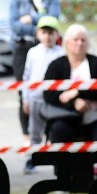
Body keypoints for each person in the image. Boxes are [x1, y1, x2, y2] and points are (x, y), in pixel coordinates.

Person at [42, 24, 97, 147]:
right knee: (58, 133)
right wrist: (74, 102)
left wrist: (78, 92)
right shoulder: (56, 65)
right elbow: (48, 94)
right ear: (67, 42)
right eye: (75, 39)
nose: (79, 43)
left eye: (83, 40)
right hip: (67, 118)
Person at [9, 0, 62, 147]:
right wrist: (40, 27)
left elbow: (54, 19)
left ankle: (48, 131)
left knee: (50, 90)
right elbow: (14, 26)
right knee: (24, 92)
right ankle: (27, 136)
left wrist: (31, 18)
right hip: (23, 49)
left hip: (48, 48)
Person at [21, 15, 64, 172]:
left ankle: (54, 159)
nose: (47, 36)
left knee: (53, 129)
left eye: (51, 33)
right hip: (35, 98)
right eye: (44, 32)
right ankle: (32, 159)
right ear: (38, 34)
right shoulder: (33, 52)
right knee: (34, 130)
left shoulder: (61, 53)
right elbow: (26, 76)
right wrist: (25, 99)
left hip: (53, 99)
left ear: (57, 35)